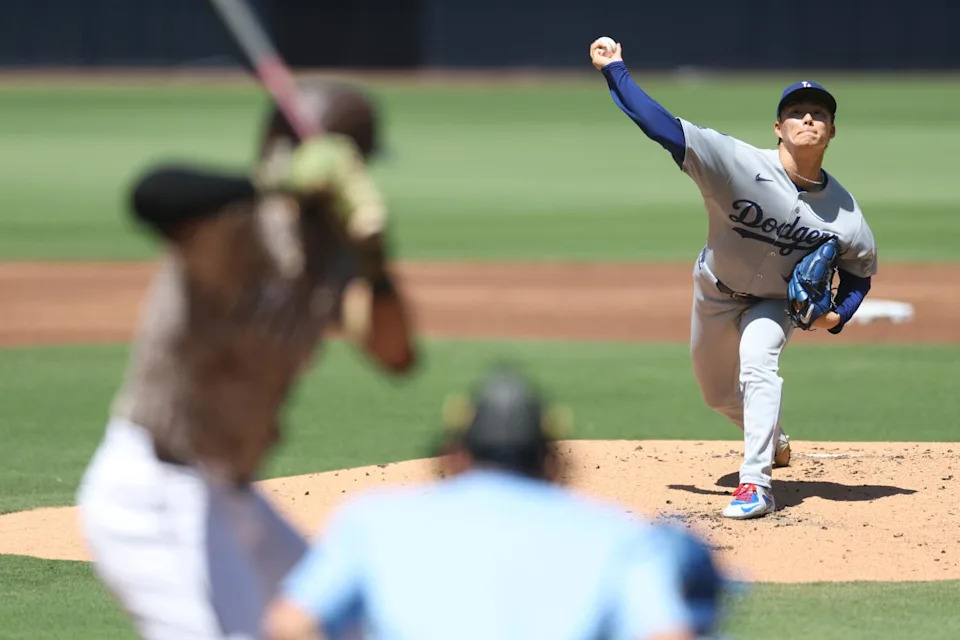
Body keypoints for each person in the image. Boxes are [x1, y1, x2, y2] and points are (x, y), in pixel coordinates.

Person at [76, 80, 417, 639]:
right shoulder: (229, 228)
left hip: (230, 495)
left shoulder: (328, 256)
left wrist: (374, 258)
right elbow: (151, 193)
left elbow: (395, 353)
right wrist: (275, 186)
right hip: (151, 496)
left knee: (347, 626)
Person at [589, 40, 877, 519]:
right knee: (717, 395)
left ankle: (756, 484)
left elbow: (860, 273)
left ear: (831, 132)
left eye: (819, 114)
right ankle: (774, 438)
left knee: (757, 360)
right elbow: (661, 126)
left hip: (774, 302)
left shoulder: (846, 214)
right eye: (797, 112)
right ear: (778, 128)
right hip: (714, 291)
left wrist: (835, 315)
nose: (808, 119)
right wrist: (614, 70)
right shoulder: (736, 163)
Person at [264, 366, 699, 640]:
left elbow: (290, 625)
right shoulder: (620, 535)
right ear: (553, 461)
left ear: (455, 455)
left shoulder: (373, 519)